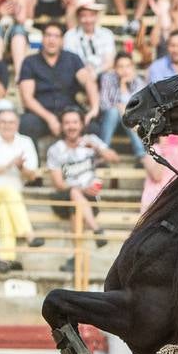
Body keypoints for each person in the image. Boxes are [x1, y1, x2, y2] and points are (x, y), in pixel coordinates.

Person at [47, 107, 119, 270]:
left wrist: (96, 147)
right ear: (62, 125)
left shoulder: (91, 140)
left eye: (74, 122)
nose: (71, 126)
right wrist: (81, 189)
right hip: (62, 198)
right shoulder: (55, 149)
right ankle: (96, 229)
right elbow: (59, 183)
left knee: (76, 210)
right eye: (67, 123)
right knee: (74, 192)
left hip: (87, 200)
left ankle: (75, 257)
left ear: (81, 124)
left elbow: (115, 158)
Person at [0, 108, 42, 274]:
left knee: (5, 210)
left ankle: (5, 259)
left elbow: (32, 176)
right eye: (3, 121)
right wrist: (8, 165)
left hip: (10, 201)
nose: (7, 125)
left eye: (11, 122)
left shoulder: (25, 141)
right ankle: (29, 234)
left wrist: (21, 167)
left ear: (17, 124)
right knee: (9, 193)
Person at [18, 21, 99, 141]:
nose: (52, 40)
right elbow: (27, 99)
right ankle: (33, 160)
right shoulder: (30, 62)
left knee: (93, 127)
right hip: (41, 113)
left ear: (62, 40)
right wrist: (50, 118)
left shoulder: (72, 59)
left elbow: (88, 82)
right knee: (26, 124)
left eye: (56, 36)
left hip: (69, 112)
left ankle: (86, 160)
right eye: (48, 35)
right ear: (42, 38)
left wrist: (94, 108)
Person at [99, 51, 147, 161]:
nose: (124, 70)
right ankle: (103, 152)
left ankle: (141, 154)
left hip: (132, 123)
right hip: (110, 121)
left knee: (128, 114)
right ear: (115, 68)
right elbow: (104, 104)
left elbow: (139, 109)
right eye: (120, 66)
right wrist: (120, 107)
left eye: (127, 66)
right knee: (113, 112)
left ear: (133, 67)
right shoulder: (107, 78)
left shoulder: (138, 82)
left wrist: (123, 87)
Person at [63, 0, 116, 81]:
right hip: (78, 75)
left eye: (91, 15)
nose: (88, 20)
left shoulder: (106, 34)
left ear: (96, 16)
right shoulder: (70, 36)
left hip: (102, 74)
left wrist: (96, 72)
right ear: (78, 17)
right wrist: (86, 73)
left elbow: (109, 62)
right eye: (84, 16)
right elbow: (70, 62)